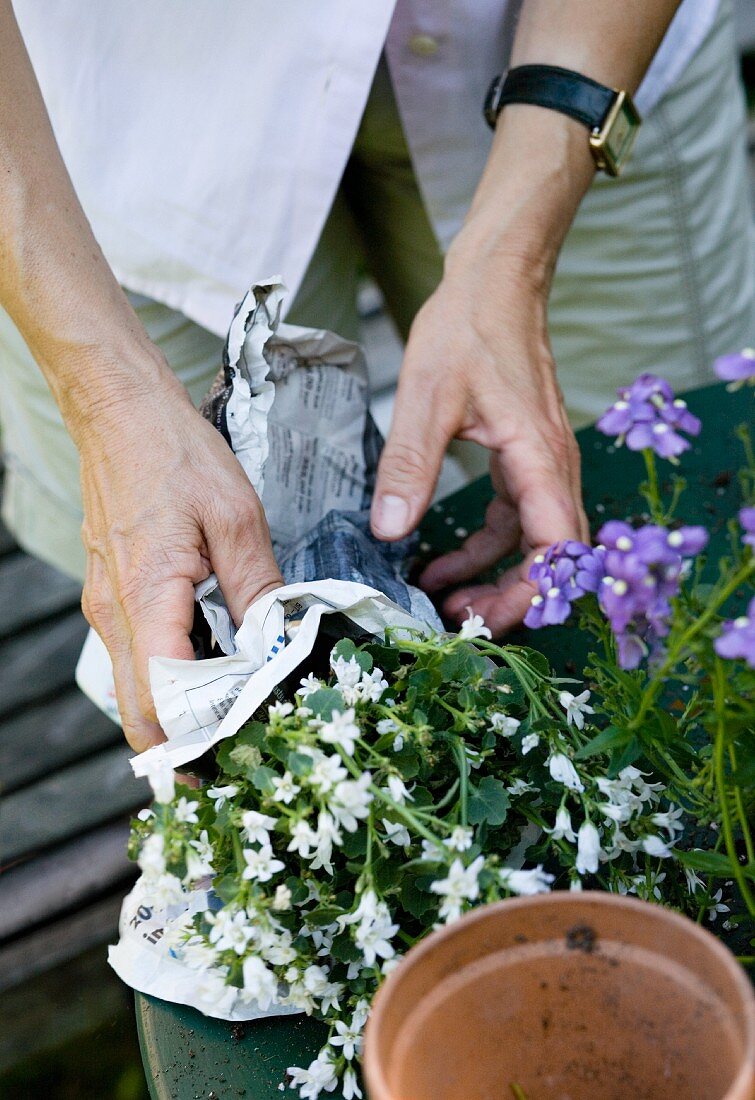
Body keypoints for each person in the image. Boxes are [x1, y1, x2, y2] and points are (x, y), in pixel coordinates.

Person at [0, 0, 752, 753]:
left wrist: (514, 259)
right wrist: (109, 402)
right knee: (187, 612)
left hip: (568, 43)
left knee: (643, 526)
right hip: (106, 128)